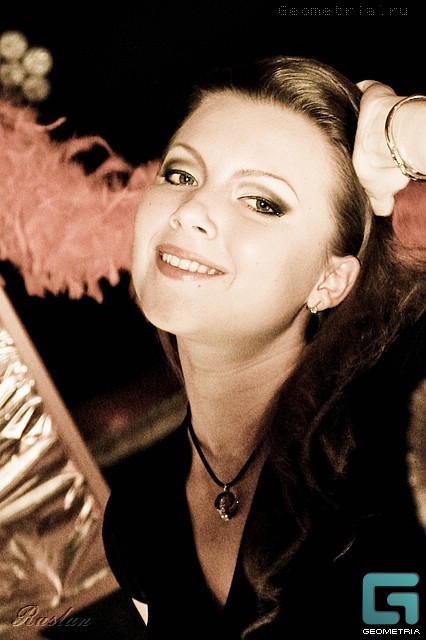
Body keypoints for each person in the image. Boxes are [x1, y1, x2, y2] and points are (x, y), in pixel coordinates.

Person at [102, 55, 426, 639]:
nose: (191, 212)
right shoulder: (137, 516)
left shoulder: (395, 450)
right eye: (181, 175)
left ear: (329, 281)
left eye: (262, 202)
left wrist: (406, 129)